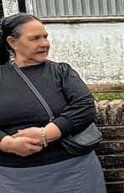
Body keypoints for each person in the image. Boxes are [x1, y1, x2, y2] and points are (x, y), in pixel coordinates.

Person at [0, 13, 106, 193]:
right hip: (14, 178)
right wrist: (7, 143)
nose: (45, 43)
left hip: (75, 171)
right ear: (13, 42)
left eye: (45, 37)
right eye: (35, 38)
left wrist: (47, 133)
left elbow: (85, 106)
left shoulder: (60, 72)